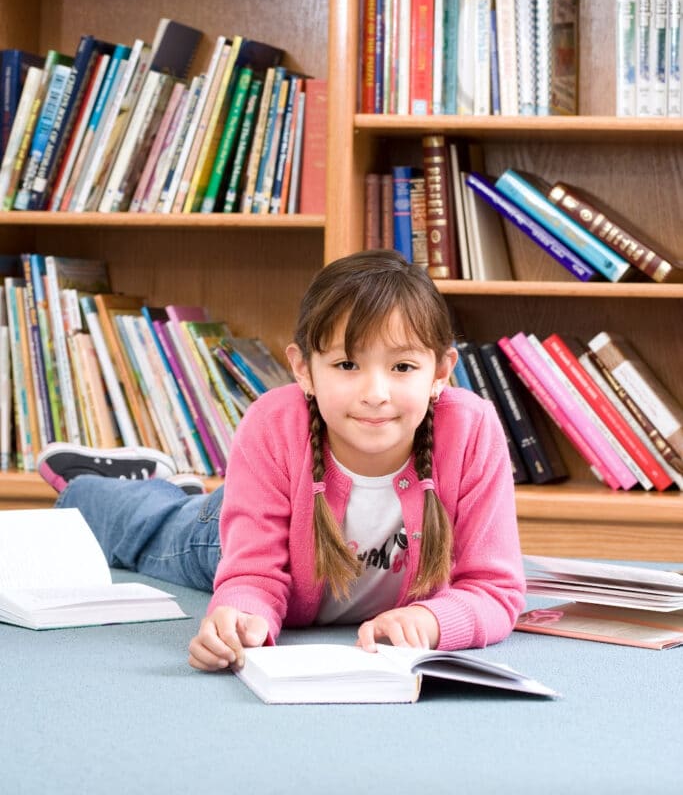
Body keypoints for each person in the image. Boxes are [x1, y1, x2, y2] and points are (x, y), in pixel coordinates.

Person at [38, 250, 525, 672]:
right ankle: (88, 485)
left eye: (402, 367)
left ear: (440, 371)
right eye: (347, 365)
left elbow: (493, 587)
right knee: (149, 532)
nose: (376, 394)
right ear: (302, 368)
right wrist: (240, 619)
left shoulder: (472, 430)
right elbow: (253, 576)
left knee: (179, 511)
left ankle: (181, 491)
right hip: (232, 533)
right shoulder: (273, 425)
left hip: (262, 502)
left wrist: (433, 621)